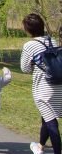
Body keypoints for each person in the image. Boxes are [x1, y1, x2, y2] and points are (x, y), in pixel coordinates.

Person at [20, 13, 62, 154]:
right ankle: (40, 146)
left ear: (28, 29)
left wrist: (33, 63)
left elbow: (24, 68)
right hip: (58, 85)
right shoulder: (52, 41)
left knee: (52, 123)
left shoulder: (29, 45)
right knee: (47, 116)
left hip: (43, 88)